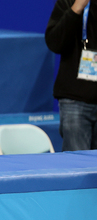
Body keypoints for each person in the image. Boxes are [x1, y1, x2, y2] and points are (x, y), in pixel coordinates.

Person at [46, 0, 97, 150]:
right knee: (78, 166)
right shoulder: (69, 2)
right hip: (75, 101)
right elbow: (54, 43)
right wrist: (76, 9)